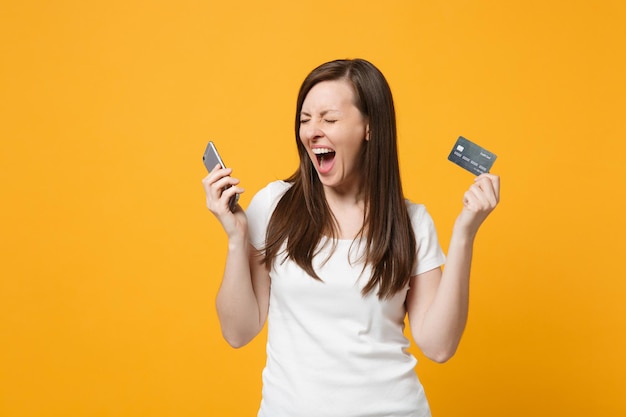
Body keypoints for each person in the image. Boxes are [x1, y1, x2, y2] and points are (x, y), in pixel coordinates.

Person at [203, 58, 500, 417]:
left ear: (369, 128)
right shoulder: (274, 205)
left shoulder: (411, 222)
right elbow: (238, 331)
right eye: (305, 119)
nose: (313, 131)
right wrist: (236, 239)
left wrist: (465, 234)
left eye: (329, 119)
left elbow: (439, 346)